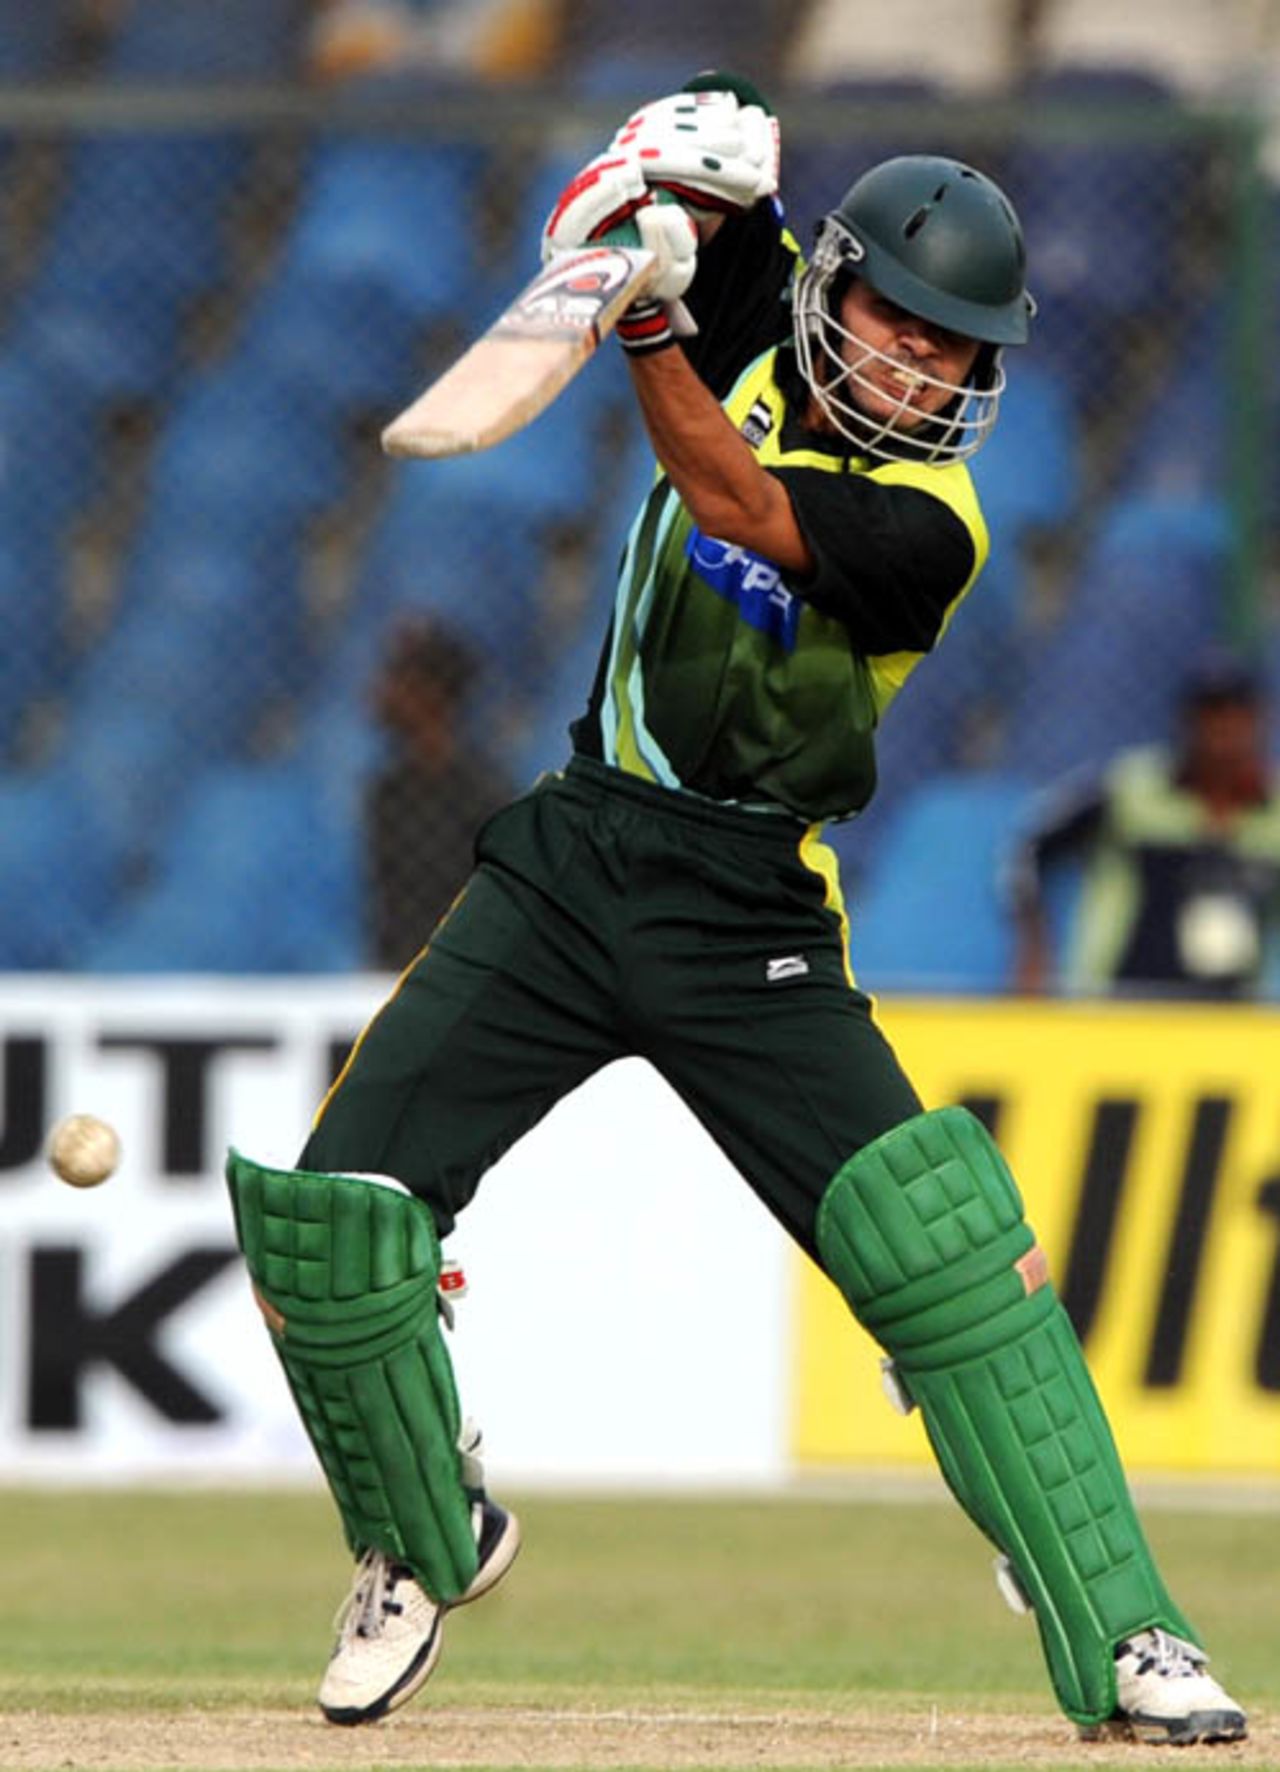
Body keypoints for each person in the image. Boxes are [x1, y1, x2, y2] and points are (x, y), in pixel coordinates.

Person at [224, 73, 1247, 1745]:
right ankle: (421, 1539)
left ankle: (1133, 1634)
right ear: (836, 291)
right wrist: (669, 179)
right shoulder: (770, 313)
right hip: (571, 865)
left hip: (746, 913)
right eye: (893, 320)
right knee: (333, 1226)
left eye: (952, 349)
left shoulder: (930, 528)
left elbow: (740, 506)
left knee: (944, 1252)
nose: (913, 363)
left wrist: (639, 322)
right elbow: (711, 186)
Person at [1008, 651, 1280, 999]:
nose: (1222, 731)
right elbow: (1031, 848)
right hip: (1121, 1004)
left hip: (1230, 1014)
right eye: (1210, 715)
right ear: (1186, 722)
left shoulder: (1272, 815)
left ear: (1259, 722)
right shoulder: (1132, 791)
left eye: (1236, 716)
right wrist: (1033, 951)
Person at [364, 615, 512, 970]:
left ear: (432, 692)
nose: (384, 690)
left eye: (399, 677)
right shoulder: (388, 792)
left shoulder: (484, 795)